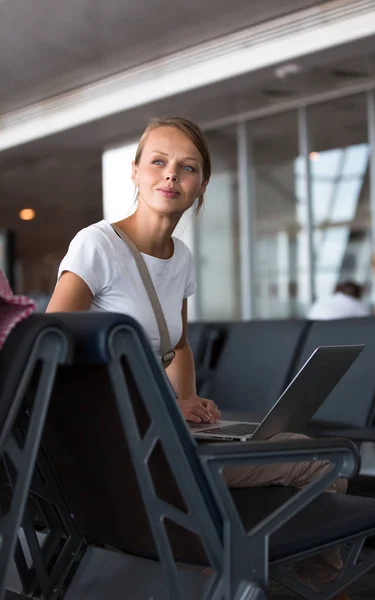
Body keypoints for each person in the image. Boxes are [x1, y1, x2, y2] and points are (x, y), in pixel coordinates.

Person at [46, 116, 349, 599]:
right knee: (316, 461)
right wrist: (151, 414)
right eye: (159, 162)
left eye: (186, 168)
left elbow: (178, 345)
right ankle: (313, 589)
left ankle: (231, 571)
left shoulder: (179, 256)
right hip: (126, 452)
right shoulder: (97, 245)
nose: (171, 175)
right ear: (136, 172)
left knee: (292, 445)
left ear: (201, 184)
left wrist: (182, 399)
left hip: (163, 434)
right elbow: (50, 353)